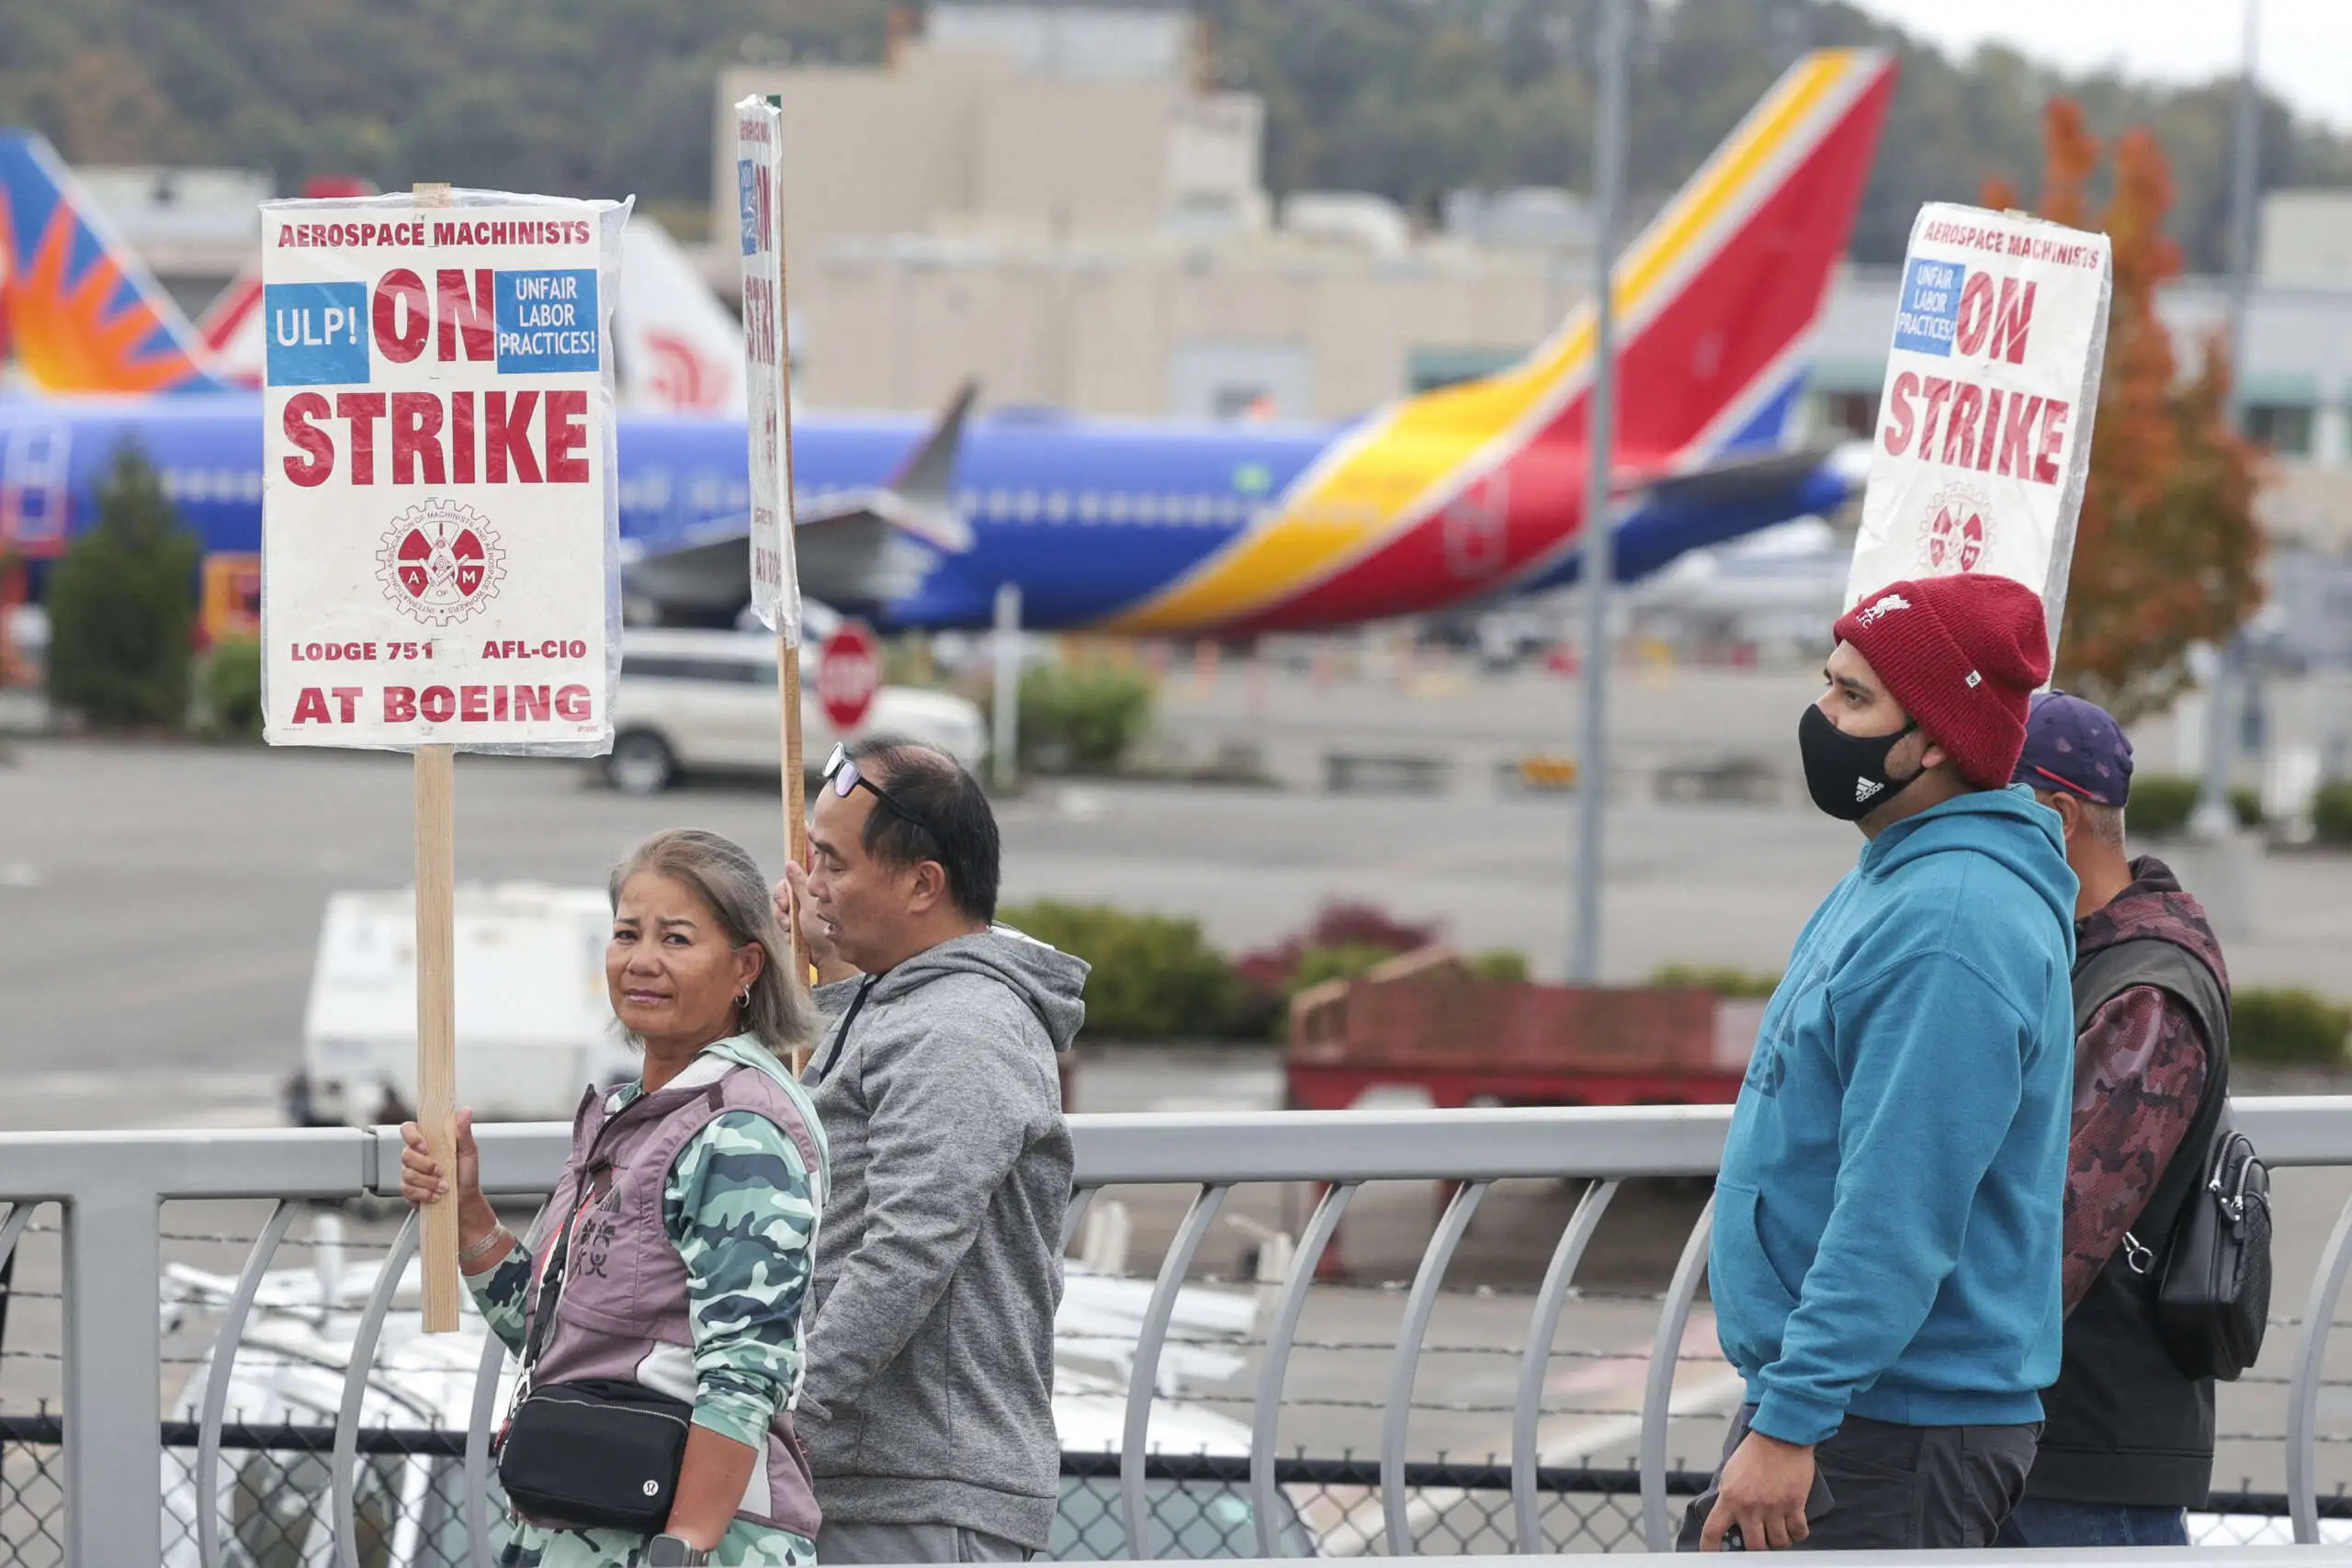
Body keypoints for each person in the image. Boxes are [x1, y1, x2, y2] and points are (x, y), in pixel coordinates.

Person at [1683, 574, 2078, 1553]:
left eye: (1853, 698)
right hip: (1844, 1412)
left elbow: (1897, 1207)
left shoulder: (1949, 922)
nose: (1818, 716)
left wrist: (1790, 1421)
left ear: (1938, 739)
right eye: (1827, 682)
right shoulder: (1896, 877)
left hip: (1887, 1427)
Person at [401, 829, 828, 1568]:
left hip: (676, 1543)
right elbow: (559, 1341)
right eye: (627, 932)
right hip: (579, 1530)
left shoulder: (739, 1129)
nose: (642, 960)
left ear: (745, 967)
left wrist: (682, 1548)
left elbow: (744, 1371)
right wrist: (467, 1208)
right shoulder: (636, 1112)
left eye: (677, 938)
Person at [775, 737, 1089, 1564]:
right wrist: (835, 960)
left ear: (923, 883)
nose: (813, 885)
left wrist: (777, 1411)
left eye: (833, 863)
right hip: (878, 1480)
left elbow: (908, 1247)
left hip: (920, 1492)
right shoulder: (909, 1008)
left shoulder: (961, 1028)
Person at [1997, 693, 2233, 1549]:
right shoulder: (2081, 952)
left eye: (1987, 803)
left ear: (2053, 816)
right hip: (2052, 1433)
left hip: (2088, 1451)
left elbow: (2059, 1229)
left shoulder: (2145, 990)